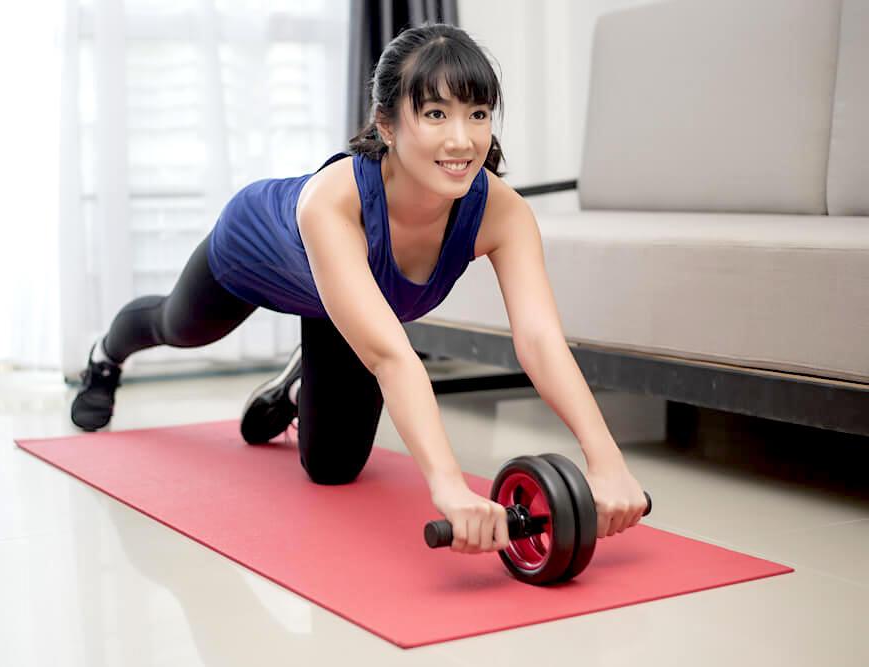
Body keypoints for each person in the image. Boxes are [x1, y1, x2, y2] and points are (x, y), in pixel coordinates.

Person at [70, 23, 648, 554]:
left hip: (346, 302)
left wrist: (606, 460)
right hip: (255, 251)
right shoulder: (334, 201)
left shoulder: (503, 213)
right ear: (386, 124)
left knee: (332, 468)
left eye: (477, 114)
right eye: (436, 114)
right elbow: (392, 356)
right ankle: (105, 357)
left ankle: (298, 385)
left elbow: (541, 340)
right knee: (178, 326)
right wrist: (449, 486)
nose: (462, 138)